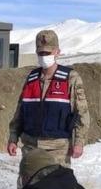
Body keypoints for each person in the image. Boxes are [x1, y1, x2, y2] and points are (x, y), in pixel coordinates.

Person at [7, 29, 90, 168]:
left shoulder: (70, 78)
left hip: (58, 150)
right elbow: (20, 112)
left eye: (47, 53)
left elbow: (82, 113)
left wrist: (79, 142)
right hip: (30, 148)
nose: (44, 56)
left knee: (55, 188)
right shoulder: (31, 78)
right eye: (41, 53)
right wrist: (13, 138)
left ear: (57, 52)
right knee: (29, 188)